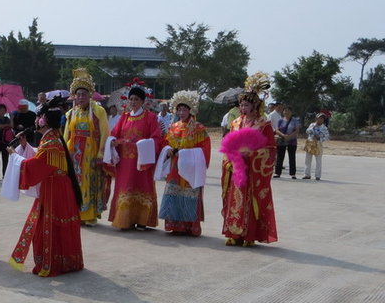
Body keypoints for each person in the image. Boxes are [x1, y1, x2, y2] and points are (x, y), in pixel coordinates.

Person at [5, 96, 84, 277]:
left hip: (53, 191)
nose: (35, 121)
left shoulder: (50, 144)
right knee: (49, 225)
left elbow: (34, 167)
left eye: (38, 117)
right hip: (58, 188)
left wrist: (14, 155)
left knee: (46, 226)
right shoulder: (54, 140)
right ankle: (65, 261)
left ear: (44, 120)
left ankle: (52, 263)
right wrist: (26, 147)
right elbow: (42, 161)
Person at [221, 73, 277, 247]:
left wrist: (252, 155)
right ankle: (233, 233)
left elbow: (270, 149)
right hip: (237, 167)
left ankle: (249, 235)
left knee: (248, 200)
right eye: (241, 104)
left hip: (252, 169)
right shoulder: (236, 122)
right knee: (234, 200)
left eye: (246, 105)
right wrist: (231, 159)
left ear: (255, 106)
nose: (243, 108)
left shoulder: (263, 124)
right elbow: (228, 144)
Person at [107, 83, 163, 230]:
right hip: (125, 163)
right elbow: (114, 134)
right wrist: (112, 141)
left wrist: (144, 144)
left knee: (142, 187)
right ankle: (125, 220)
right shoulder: (124, 117)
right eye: (131, 99)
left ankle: (142, 220)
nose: (133, 102)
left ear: (143, 102)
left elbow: (157, 138)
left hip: (141, 162)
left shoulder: (150, 118)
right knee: (125, 187)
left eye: (136, 99)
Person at [157, 91, 210, 236]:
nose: (181, 112)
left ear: (190, 110)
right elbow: (165, 143)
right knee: (174, 192)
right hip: (175, 167)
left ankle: (189, 227)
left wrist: (185, 153)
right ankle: (175, 225)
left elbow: (204, 148)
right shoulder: (173, 127)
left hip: (190, 168)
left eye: (184, 109)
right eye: (179, 109)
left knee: (189, 194)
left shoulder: (199, 128)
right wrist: (168, 150)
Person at [63, 68, 109, 226]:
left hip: (90, 152)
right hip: (73, 151)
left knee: (89, 182)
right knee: (74, 183)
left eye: (84, 94)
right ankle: (76, 213)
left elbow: (104, 132)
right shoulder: (71, 113)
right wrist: (63, 153)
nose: (81, 97)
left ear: (90, 95)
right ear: (74, 96)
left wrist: (100, 154)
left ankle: (89, 215)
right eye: (78, 94)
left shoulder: (98, 111)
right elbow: (66, 134)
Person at [274, 106, 298, 179]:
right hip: (281, 141)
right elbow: (277, 130)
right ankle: (278, 173)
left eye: (288, 111)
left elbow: (297, 130)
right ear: (283, 112)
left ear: (291, 112)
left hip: (292, 141)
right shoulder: (280, 120)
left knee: (292, 157)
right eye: (285, 111)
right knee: (280, 157)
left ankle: (292, 174)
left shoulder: (295, 121)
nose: (286, 112)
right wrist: (283, 135)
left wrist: (290, 136)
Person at [303, 112, 329, 180]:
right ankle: (307, 174)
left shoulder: (324, 128)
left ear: (323, 120)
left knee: (318, 161)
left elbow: (326, 137)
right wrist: (312, 130)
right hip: (310, 143)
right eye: (319, 118)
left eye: (322, 118)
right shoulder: (312, 124)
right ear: (316, 118)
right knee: (307, 160)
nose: (320, 120)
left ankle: (317, 176)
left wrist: (319, 138)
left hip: (318, 144)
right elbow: (307, 131)